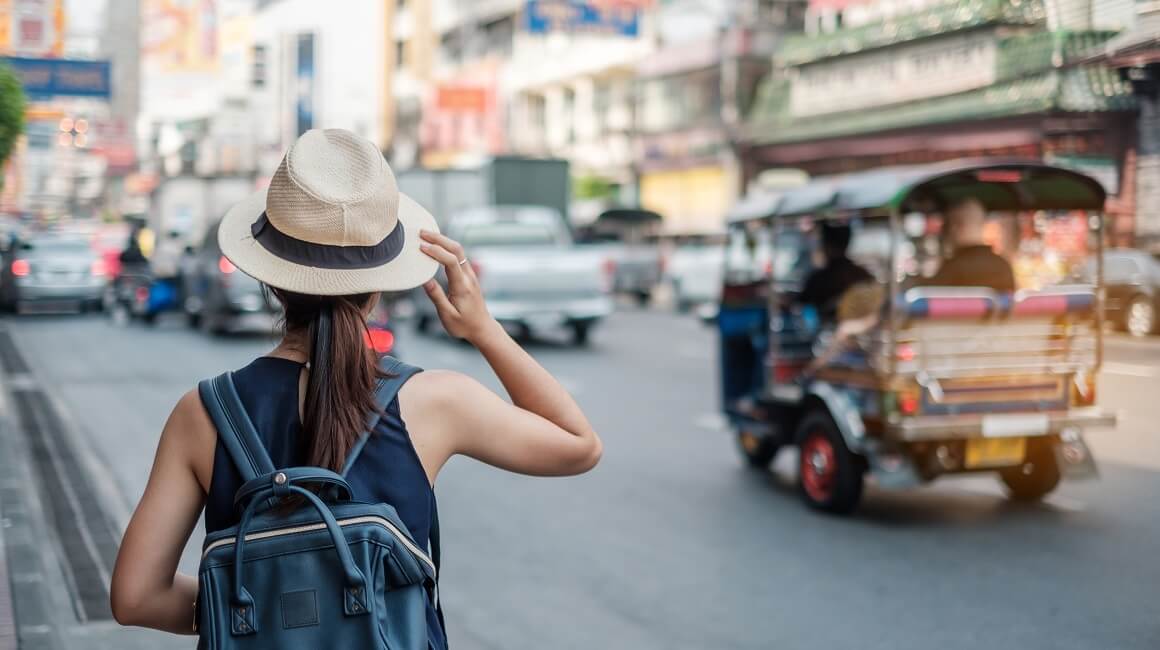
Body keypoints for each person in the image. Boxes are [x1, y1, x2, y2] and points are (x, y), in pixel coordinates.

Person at [108, 129, 603, 644]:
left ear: (272, 282)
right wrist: (482, 328)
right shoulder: (434, 401)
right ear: (379, 286)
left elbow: (135, 596)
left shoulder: (203, 413)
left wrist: (261, 608)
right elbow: (579, 446)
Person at [923, 196, 1016, 293]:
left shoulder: (953, 268)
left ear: (955, 226)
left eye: (947, 225)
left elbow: (927, 300)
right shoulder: (1003, 265)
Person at [798, 222, 873, 321]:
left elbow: (801, 302)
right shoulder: (862, 274)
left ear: (827, 245)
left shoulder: (821, 278)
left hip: (829, 331)